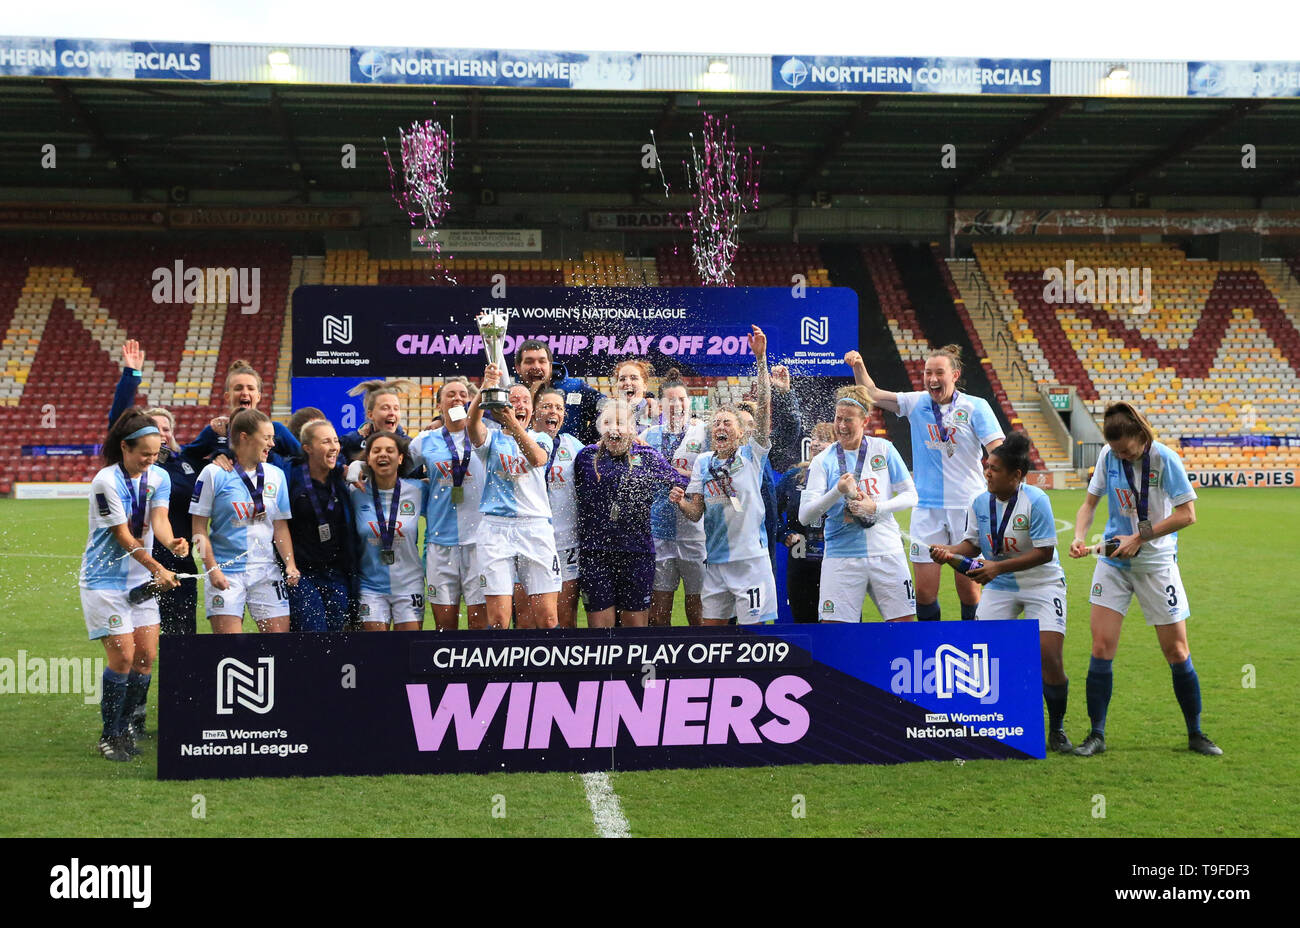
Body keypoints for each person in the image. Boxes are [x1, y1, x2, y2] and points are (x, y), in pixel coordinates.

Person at [1067, 403, 1220, 757]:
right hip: (1113, 563)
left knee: (1177, 651)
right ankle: (1096, 735)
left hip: (1156, 564)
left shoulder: (1165, 459)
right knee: (1101, 648)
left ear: (1141, 435)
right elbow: (1089, 504)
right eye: (1116, 450)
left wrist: (1139, 537)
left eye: (1126, 450)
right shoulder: (1107, 456)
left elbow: (1188, 515)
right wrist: (1078, 536)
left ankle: (1196, 733)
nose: (1121, 456)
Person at [930, 432, 1072, 753]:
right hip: (1000, 586)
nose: (987, 473)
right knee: (985, 654)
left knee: (1049, 656)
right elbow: (971, 545)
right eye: (986, 466)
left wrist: (995, 568)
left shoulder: (1037, 500)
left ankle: (1057, 729)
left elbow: (1045, 553)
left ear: (1016, 475)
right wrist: (948, 551)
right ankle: (995, 723)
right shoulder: (979, 502)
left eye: (994, 468)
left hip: (1042, 583)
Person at [848, 345, 1004, 622]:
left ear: (954, 375)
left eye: (939, 372)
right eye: (928, 372)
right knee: (924, 593)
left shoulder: (976, 407)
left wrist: (1000, 494)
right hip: (926, 509)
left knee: (969, 590)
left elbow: (998, 452)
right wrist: (858, 366)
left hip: (967, 508)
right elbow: (871, 393)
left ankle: (971, 641)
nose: (932, 378)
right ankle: (931, 643)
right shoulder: (916, 402)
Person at [80, 410, 189, 761]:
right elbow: (124, 536)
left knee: (145, 657)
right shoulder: (105, 481)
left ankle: (127, 727)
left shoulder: (159, 476)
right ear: (125, 447)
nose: (151, 460)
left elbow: (159, 520)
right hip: (104, 581)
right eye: (144, 453)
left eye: (156, 453)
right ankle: (109, 735)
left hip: (141, 579)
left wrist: (172, 543)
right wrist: (158, 568)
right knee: (123, 657)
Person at [670, 325, 777, 625]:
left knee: (754, 636)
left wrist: (761, 361)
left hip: (750, 562)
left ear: (741, 432)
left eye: (727, 423)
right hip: (715, 562)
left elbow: (764, 409)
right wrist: (681, 502)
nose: (720, 427)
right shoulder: (703, 462)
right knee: (712, 634)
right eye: (716, 423)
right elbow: (695, 513)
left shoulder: (751, 456)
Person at [799, 387, 917, 622]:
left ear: (865, 420)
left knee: (903, 626)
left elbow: (911, 495)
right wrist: (837, 491)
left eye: (848, 420)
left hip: (886, 550)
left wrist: (876, 508)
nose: (841, 426)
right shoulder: (823, 461)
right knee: (835, 630)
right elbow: (805, 515)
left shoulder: (883, 449)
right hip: (841, 555)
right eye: (838, 418)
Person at [109, 340, 201, 644]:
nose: (162, 433)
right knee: (139, 642)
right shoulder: (134, 466)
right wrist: (131, 376)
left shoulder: (187, 463)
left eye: (166, 428)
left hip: (179, 557)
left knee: (182, 637)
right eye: (154, 428)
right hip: (139, 561)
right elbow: (118, 422)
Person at [575, 399, 688, 628]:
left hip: (637, 553)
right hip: (596, 553)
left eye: (620, 423)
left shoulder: (647, 455)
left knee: (635, 629)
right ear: (600, 428)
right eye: (607, 423)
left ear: (632, 428)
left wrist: (680, 489)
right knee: (601, 631)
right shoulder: (586, 456)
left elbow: (679, 480)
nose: (613, 428)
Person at [467, 367, 561, 629]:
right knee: (498, 619)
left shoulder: (541, 437)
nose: (520, 405)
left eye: (525, 401)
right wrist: (485, 388)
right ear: (502, 404)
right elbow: (471, 424)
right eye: (514, 400)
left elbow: (537, 459)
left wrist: (513, 423)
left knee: (548, 618)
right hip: (496, 529)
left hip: (535, 526)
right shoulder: (491, 439)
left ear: (532, 409)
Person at [190, 408, 299, 634]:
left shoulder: (275, 475)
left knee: (278, 645)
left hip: (266, 570)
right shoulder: (213, 473)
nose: (272, 444)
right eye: (266, 438)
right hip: (226, 571)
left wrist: (289, 564)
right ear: (244, 437)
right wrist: (212, 569)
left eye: (272, 438)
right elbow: (198, 528)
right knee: (231, 648)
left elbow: (280, 526)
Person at [411, 376, 488, 631]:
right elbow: (395, 468)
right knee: (444, 629)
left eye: (463, 395)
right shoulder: (424, 440)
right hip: (440, 544)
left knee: (480, 627)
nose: (457, 398)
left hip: (479, 542)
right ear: (439, 404)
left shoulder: (485, 436)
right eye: (450, 394)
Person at [641, 369, 709, 627]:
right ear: (660, 405)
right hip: (659, 532)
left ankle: (700, 653)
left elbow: (712, 470)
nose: (677, 405)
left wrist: (680, 475)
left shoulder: (703, 433)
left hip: (694, 532)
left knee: (697, 611)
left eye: (681, 399)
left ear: (689, 403)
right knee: (658, 614)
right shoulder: (648, 436)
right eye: (670, 400)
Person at [349, 431, 428, 631]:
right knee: (376, 647)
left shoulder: (419, 490)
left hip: (409, 584)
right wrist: (352, 467)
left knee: (408, 646)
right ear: (368, 459)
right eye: (376, 451)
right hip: (369, 586)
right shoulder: (355, 493)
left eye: (390, 450)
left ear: (400, 458)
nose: (383, 454)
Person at [286, 418, 357, 632]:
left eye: (335, 440)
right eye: (326, 441)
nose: (334, 446)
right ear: (307, 448)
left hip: (335, 573)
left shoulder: (339, 480)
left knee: (335, 636)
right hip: (302, 574)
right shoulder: (291, 476)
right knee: (313, 633)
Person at [183, 359, 301, 472]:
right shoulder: (216, 431)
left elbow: (304, 459)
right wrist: (212, 461)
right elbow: (184, 457)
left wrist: (277, 464)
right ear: (228, 396)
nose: (245, 393)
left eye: (251, 388)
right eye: (238, 388)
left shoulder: (277, 430)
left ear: (258, 396)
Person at [534, 386, 586, 628]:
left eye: (559, 407)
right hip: (530, 539)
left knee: (565, 618)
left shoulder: (572, 445)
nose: (553, 411)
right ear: (534, 411)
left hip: (566, 541)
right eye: (546, 406)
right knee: (529, 619)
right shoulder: (521, 441)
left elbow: (601, 460)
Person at [776, 422, 833, 623]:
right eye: (814, 438)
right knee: (803, 619)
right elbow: (771, 511)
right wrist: (784, 534)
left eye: (823, 439)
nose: (815, 443)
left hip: (835, 559)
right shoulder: (793, 477)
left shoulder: (844, 477)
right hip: (800, 559)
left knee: (840, 621)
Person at [514, 338, 606, 445]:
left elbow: (607, 407)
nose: (536, 366)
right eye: (529, 362)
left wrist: (587, 444)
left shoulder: (575, 388)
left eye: (542, 361)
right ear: (518, 368)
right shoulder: (512, 395)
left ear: (550, 366)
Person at [340, 379, 416, 459]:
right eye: (385, 408)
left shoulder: (409, 447)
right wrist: (343, 466)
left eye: (396, 408)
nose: (392, 413)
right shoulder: (354, 441)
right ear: (370, 415)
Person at [613, 359, 660, 431]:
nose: (627, 383)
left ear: (645, 386)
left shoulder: (657, 413)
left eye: (634, 378)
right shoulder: (608, 414)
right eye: (622, 379)